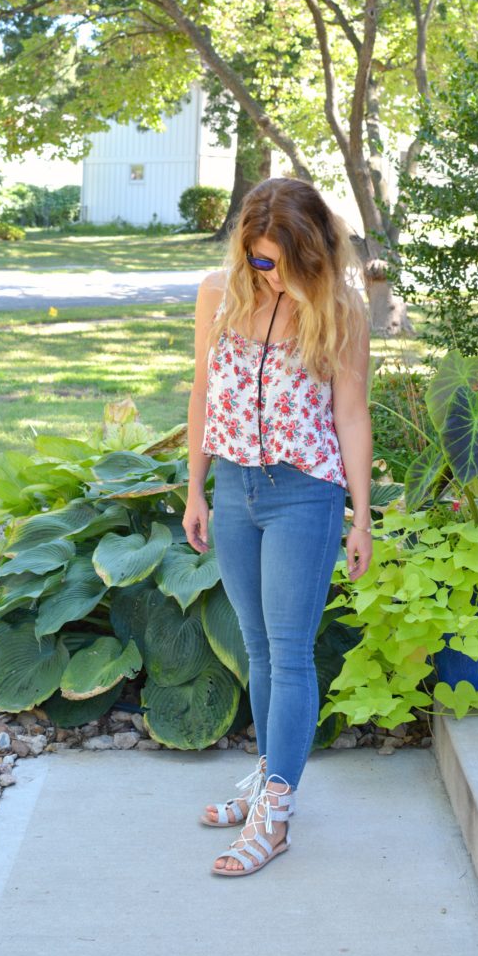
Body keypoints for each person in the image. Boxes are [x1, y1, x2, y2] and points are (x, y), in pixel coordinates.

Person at [183, 177, 373, 877]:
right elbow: (203, 392)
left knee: (289, 652)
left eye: (280, 263)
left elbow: (351, 416)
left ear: (311, 253)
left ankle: (276, 816)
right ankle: (266, 782)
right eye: (257, 260)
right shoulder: (218, 294)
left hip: (305, 494)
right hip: (234, 488)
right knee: (258, 649)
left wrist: (360, 517)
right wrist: (195, 489)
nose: (267, 274)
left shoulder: (339, 311)